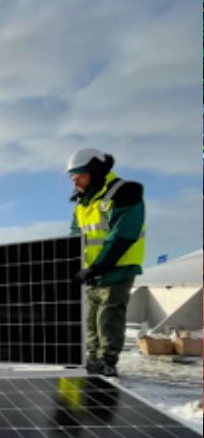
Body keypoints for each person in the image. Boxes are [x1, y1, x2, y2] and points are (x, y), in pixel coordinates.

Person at [68, 149, 145, 377]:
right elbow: (74, 237)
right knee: (91, 321)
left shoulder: (124, 193)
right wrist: (73, 266)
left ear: (95, 171)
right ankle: (92, 361)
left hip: (116, 270)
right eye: (72, 177)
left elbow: (122, 235)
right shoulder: (83, 204)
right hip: (92, 272)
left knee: (108, 319)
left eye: (80, 175)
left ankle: (106, 363)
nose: (75, 181)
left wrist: (97, 267)